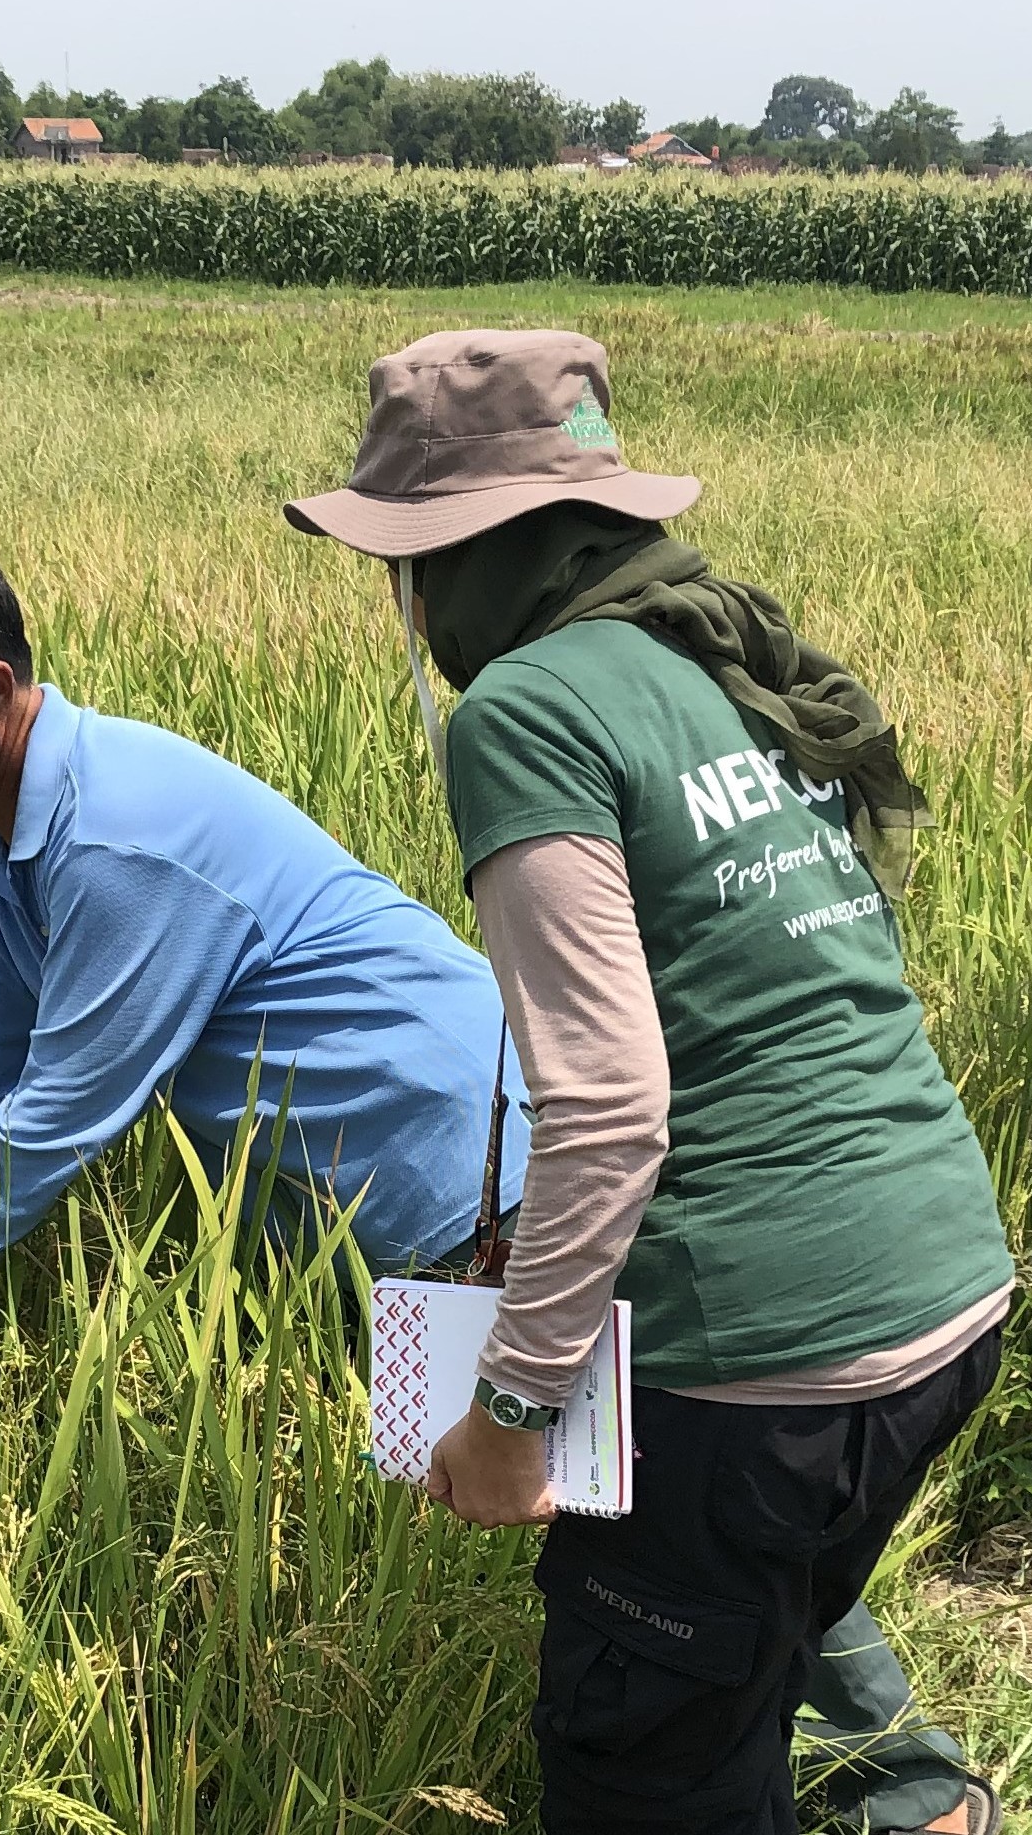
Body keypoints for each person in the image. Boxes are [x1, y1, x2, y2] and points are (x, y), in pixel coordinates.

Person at [285, 328, 1014, 1835]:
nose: (401, 604)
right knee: (749, 1673)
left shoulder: (526, 711)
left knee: (646, 1777)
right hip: (943, 1295)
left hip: (760, 1360)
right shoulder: (724, 663)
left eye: (402, 561)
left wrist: (505, 1410)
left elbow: (610, 1104)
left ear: (470, 547)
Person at [0, 525, 528, 1330]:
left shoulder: (110, 843)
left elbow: (54, 1115)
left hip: (474, 1176)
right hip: (381, 1210)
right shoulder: (17, 848)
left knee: (514, 1456)